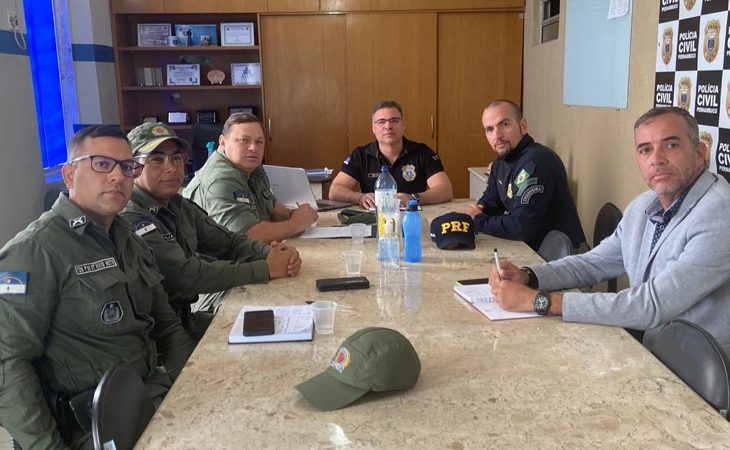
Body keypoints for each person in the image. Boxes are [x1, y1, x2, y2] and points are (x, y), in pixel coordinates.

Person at [0, 125, 195, 449]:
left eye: (127, 166)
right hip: (90, 429)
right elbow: (8, 365)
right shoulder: (35, 251)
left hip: (152, 397)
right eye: (102, 164)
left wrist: (194, 387)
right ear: (69, 174)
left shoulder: (129, 239)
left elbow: (167, 327)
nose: (118, 176)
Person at [489, 107, 730, 354]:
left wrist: (539, 301)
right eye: (645, 149)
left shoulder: (720, 213)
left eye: (671, 145)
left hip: (700, 368)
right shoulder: (644, 205)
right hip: (654, 350)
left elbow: (652, 305)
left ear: (699, 153)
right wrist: (529, 276)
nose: (656, 159)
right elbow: (593, 263)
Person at [121, 122, 302, 340]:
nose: (171, 168)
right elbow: (185, 275)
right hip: (155, 336)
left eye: (177, 158)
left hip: (184, 320)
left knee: (280, 321)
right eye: (157, 159)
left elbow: (228, 243)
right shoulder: (131, 216)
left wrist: (271, 254)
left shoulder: (178, 205)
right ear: (132, 166)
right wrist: (265, 268)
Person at [461, 99, 586, 252]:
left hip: (562, 257)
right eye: (490, 129)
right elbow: (492, 200)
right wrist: (478, 209)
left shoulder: (536, 162)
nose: (497, 135)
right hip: (534, 250)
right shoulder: (502, 161)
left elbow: (520, 226)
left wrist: (478, 219)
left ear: (523, 126)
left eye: (504, 124)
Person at [183, 113, 319, 243]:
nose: (254, 148)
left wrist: (293, 214)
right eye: (244, 140)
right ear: (222, 142)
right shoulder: (220, 180)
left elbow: (270, 205)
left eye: (259, 142)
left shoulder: (251, 167)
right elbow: (248, 236)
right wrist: (297, 223)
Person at [329, 100, 453, 209]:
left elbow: (445, 190)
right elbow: (335, 191)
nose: (388, 126)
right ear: (373, 128)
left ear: (403, 125)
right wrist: (360, 198)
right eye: (381, 122)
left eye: (394, 120)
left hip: (412, 216)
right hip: (375, 218)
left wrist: (413, 198)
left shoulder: (422, 152)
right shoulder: (361, 155)